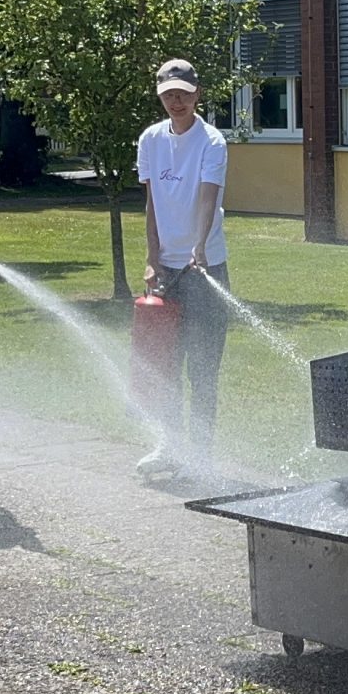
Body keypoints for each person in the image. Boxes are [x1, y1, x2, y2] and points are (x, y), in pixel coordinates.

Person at [135, 59, 231, 483]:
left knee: (203, 368)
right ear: (160, 95)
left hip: (205, 267)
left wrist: (198, 245)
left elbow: (208, 197)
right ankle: (169, 447)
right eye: (169, 94)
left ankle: (202, 456)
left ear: (197, 94)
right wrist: (152, 256)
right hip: (167, 269)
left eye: (184, 93)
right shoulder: (151, 140)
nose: (177, 101)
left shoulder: (212, 142)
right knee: (165, 365)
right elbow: (153, 202)